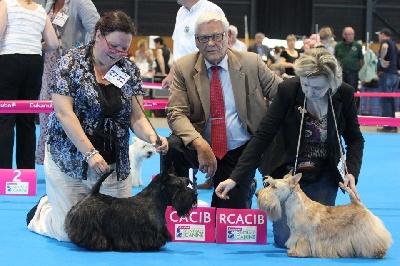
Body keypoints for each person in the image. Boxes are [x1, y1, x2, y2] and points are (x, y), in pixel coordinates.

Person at [26, 11, 169, 241]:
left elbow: (138, 118)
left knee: (117, 231)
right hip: (70, 161)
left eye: (124, 49)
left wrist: (153, 137)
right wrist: (90, 153)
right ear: (98, 35)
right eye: (114, 46)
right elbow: (64, 113)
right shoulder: (70, 63)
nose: (119, 54)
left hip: (113, 166)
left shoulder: (129, 70)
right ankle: (44, 210)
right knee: (71, 233)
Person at [215, 48, 364, 247]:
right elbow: (262, 136)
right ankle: (252, 188)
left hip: (323, 171)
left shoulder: (344, 94)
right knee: (287, 240)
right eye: (305, 85)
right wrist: (235, 177)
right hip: (286, 172)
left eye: (317, 88)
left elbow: (355, 139)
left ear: (332, 83)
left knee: (316, 236)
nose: (309, 93)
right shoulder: (288, 89)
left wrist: (351, 172)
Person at [162, 12, 282, 208]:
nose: (211, 43)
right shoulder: (183, 68)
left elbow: (282, 94)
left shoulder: (252, 63)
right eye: (204, 38)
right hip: (200, 141)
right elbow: (175, 112)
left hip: (239, 148)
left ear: (228, 37)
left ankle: (246, 185)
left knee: (227, 214)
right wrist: (199, 143)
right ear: (196, 41)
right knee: (173, 145)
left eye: (217, 36)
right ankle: (181, 196)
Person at [36, 0, 100, 165]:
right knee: (45, 113)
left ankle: (72, 159)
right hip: (48, 65)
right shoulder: (49, 3)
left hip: (72, 67)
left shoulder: (81, 2)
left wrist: (83, 53)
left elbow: (97, 30)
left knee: (68, 114)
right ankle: (49, 159)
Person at [0, 0, 58, 169]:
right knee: (27, 120)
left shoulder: (6, 4)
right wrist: (35, 47)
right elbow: (53, 43)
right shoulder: (41, 10)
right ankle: (26, 172)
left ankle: (3, 173)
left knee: (5, 117)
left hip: (9, 60)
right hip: (34, 63)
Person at [161, 0, 224, 89]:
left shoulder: (211, 10)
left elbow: (219, 47)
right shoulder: (181, 12)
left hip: (202, 77)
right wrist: (172, 73)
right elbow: (179, 48)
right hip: (182, 76)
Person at [376, 28, 399, 133]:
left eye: (379, 35)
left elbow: (384, 47)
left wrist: (381, 60)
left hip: (387, 74)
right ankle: (393, 125)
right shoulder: (394, 45)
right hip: (395, 74)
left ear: (383, 34)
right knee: (391, 100)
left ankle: (387, 126)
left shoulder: (385, 42)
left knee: (385, 100)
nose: (379, 37)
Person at [334, 27, 364, 110]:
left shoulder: (357, 46)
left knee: (352, 91)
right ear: (344, 35)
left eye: (352, 34)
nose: (351, 36)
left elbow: (361, 60)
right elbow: (335, 59)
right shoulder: (338, 46)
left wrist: (357, 70)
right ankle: (341, 109)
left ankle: (352, 110)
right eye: (349, 34)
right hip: (341, 73)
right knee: (340, 91)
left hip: (353, 73)